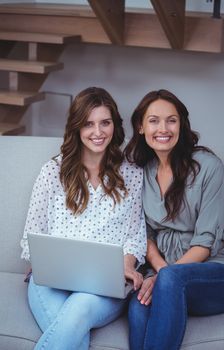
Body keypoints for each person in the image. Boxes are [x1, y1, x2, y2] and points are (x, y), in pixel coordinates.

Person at [20, 87, 147, 350]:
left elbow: (136, 234)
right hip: (50, 283)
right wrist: (39, 259)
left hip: (103, 288)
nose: (98, 132)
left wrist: (126, 262)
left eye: (105, 123)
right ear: (77, 127)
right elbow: (32, 231)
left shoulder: (133, 174)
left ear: (115, 125)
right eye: (88, 124)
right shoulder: (53, 171)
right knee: (72, 333)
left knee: (77, 311)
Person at [124, 89, 224, 350]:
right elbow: (144, 234)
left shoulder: (208, 167)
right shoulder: (142, 172)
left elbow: (205, 244)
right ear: (140, 127)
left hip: (216, 274)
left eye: (171, 120)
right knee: (138, 305)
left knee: (172, 281)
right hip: (165, 274)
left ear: (181, 124)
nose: (163, 128)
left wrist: (165, 276)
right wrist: (161, 272)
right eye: (153, 121)